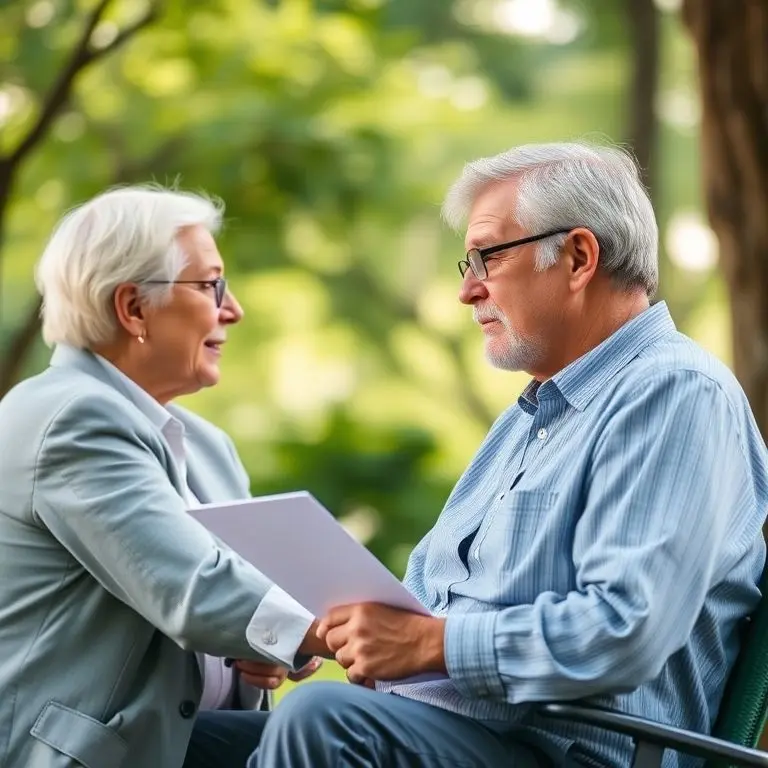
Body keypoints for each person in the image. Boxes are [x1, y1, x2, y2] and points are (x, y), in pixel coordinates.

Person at [248, 141, 768, 768]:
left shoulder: (675, 393)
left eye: (486, 258)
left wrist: (431, 645)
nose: (468, 292)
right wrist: (317, 632)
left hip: (570, 751)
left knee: (319, 721)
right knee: (190, 743)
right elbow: (424, 609)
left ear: (578, 257)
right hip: (464, 731)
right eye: (465, 265)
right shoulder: (532, 414)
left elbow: (625, 631)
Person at [0, 185, 329, 768]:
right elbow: (195, 590)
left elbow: (257, 592)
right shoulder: (67, 418)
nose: (233, 309)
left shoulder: (206, 444)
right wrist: (341, 631)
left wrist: (283, 652)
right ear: (133, 309)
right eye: (211, 285)